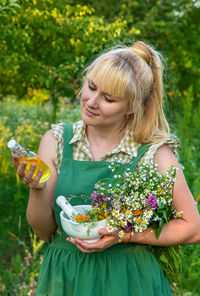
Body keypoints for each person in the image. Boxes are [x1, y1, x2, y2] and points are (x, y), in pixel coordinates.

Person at [12, 41, 200, 296]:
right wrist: (37, 187)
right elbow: (42, 230)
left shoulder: (153, 153)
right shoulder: (56, 141)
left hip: (129, 281)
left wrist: (124, 236)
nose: (91, 101)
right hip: (67, 278)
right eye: (91, 87)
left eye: (108, 98)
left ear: (132, 106)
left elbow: (193, 228)